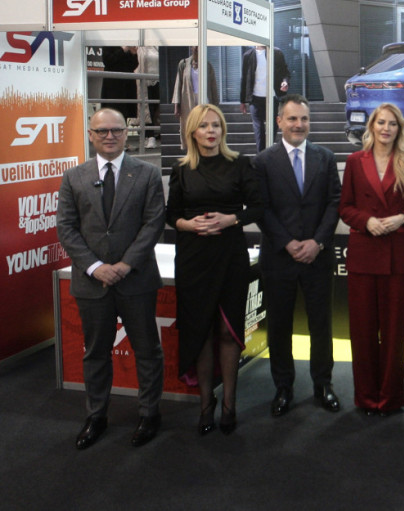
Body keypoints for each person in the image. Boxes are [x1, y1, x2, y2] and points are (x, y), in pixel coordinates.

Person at [56, 108, 165, 450]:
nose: (109, 136)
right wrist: (95, 267)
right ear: (91, 135)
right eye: (101, 131)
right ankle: (96, 416)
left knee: (147, 351)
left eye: (116, 130)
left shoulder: (148, 174)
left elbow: (153, 224)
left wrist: (125, 265)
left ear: (126, 133)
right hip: (92, 283)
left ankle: (149, 414)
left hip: (136, 280)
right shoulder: (73, 177)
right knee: (95, 353)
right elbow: (66, 228)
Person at [166, 104, 263, 435]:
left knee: (227, 330)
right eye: (204, 126)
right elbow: (171, 215)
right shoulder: (181, 169)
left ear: (223, 130)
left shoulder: (240, 164)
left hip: (230, 255)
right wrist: (189, 225)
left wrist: (230, 219)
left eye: (216, 125)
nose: (211, 131)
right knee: (202, 332)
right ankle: (206, 406)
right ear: (192, 132)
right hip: (193, 258)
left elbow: (259, 207)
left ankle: (229, 405)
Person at [255, 95, 342, 418]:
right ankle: (283, 387)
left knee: (321, 325)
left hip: (317, 258)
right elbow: (261, 208)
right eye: (292, 119)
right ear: (279, 121)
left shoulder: (325, 157)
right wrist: (288, 243)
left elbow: (335, 202)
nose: (299, 125)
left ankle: (323, 384)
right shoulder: (263, 161)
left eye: (304, 119)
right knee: (279, 326)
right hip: (279, 258)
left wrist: (317, 242)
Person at [339, 103, 404, 416]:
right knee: (362, 332)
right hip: (364, 255)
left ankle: (390, 398)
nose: (386, 128)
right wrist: (366, 221)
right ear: (372, 127)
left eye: (392, 124)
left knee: (394, 332)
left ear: (399, 128)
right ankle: (366, 398)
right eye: (381, 123)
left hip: (397, 257)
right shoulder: (355, 161)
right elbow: (345, 207)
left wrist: (402, 218)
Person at [240, 45, 290, 153]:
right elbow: (244, 78)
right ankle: (261, 156)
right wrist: (242, 100)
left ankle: (268, 153)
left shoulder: (276, 53)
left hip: (272, 97)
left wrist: (285, 82)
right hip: (255, 98)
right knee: (259, 130)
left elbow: (285, 72)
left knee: (273, 128)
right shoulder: (248, 55)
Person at [172, 47, 219, 150]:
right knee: (190, 127)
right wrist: (176, 104)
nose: (197, 48)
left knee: (203, 127)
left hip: (204, 100)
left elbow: (213, 85)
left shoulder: (207, 65)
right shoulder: (183, 64)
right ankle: (192, 151)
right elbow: (178, 84)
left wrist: (215, 105)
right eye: (195, 46)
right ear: (191, 48)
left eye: (199, 46)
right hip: (188, 99)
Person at [101, 46, 138, 121]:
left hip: (127, 86)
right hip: (113, 86)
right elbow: (108, 60)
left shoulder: (128, 46)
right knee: (112, 113)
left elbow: (134, 65)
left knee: (125, 114)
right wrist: (123, 50)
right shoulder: (109, 44)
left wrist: (133, 54)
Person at [135, 46, 160, 149]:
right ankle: (150, 136)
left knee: (157, 108)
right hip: (144, 81)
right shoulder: (139, 48)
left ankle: (154, 134)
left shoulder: (157, 47)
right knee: (148, 109)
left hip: (158, 80)